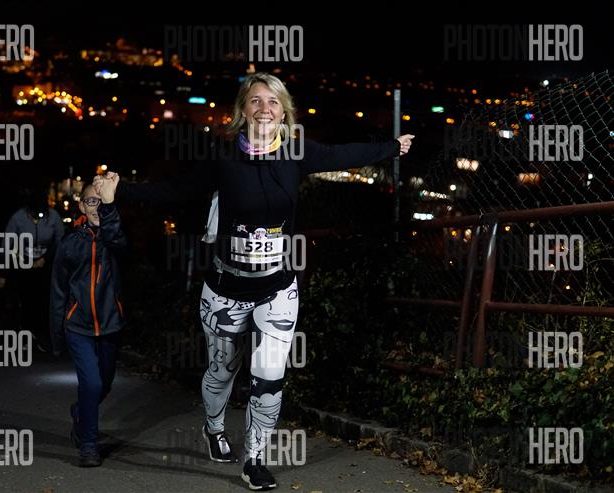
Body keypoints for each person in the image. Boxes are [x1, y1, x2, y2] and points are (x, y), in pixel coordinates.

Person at [111, 72, 414, 490]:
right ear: (242, 110)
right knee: (222, 371)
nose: (264, 109)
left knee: (269, 378)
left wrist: (392, 147)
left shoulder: (296, 153)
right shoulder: (222, 158)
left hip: (276, 288)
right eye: (255, 101)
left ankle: (254, 459)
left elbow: (344, 154)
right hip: (225, 289)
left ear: (284, 112)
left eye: (273, 102)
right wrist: (122, 190)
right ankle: (214, 427)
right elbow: (177, 189)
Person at [50, 173, 128, 467]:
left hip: (110, 324)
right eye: (91, 201)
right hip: (78, 326)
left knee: (103, 384)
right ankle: (89, 444)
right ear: (81, 206)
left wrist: (109, 209)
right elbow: (58, 290)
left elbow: (117, 239)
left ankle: (80, 413)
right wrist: (57, 335)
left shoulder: (113, 237)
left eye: (101, 201)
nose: (96, 207)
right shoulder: (70, 243)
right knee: (92, 384)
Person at [0, 185, 65, 352]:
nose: (38, 217)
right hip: (21, 262)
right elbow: (6, 246)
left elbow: (60, 241)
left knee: (44, 299)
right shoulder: (18, 218)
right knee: (23, 299)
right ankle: (23, 334)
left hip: (46, 263)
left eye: (41, 214)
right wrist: (3, 274)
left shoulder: (53, 217)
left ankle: (45, 336)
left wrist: (44, 259)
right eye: (34, 214)